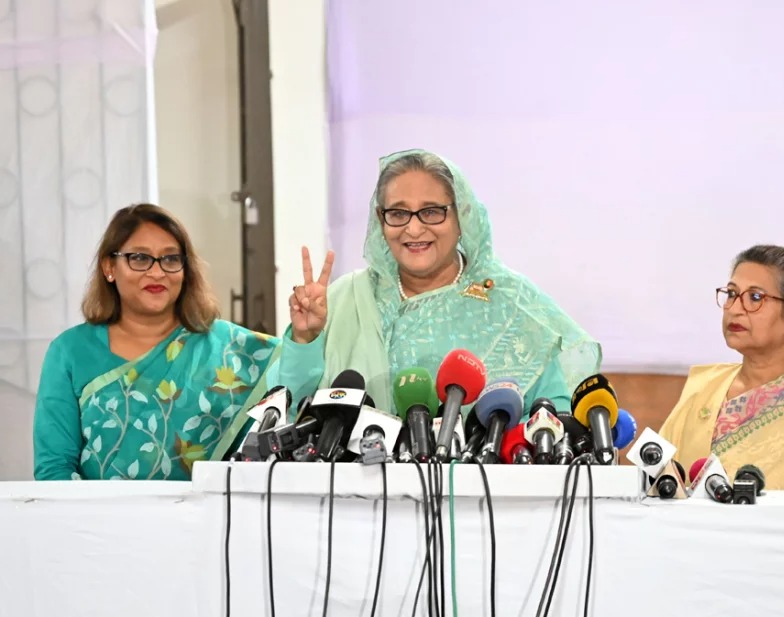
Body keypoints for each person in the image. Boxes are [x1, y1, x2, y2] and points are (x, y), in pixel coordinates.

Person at [278, 149, 601, 413]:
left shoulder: (512, 304)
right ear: (381, 220)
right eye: (398, 213)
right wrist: (306, 339)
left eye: (432, 211)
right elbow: (287, 408)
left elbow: (553, 415)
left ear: (462, 216)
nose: (414, 229)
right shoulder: (344, 300)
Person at [33, 204, 280, 480]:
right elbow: (54, 469)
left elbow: (295, 385)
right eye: (139, 258)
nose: (157, 272)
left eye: (170, 259)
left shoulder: (226, 348)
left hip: (206, 508)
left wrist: (307, 335)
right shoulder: (70, 352)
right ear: (109, 267)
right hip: (96, 509)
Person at [659, 245, 784, 491]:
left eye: (755, 298)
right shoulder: (705, 386)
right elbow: (655, 474)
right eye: (732, 294)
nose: (734, 309)